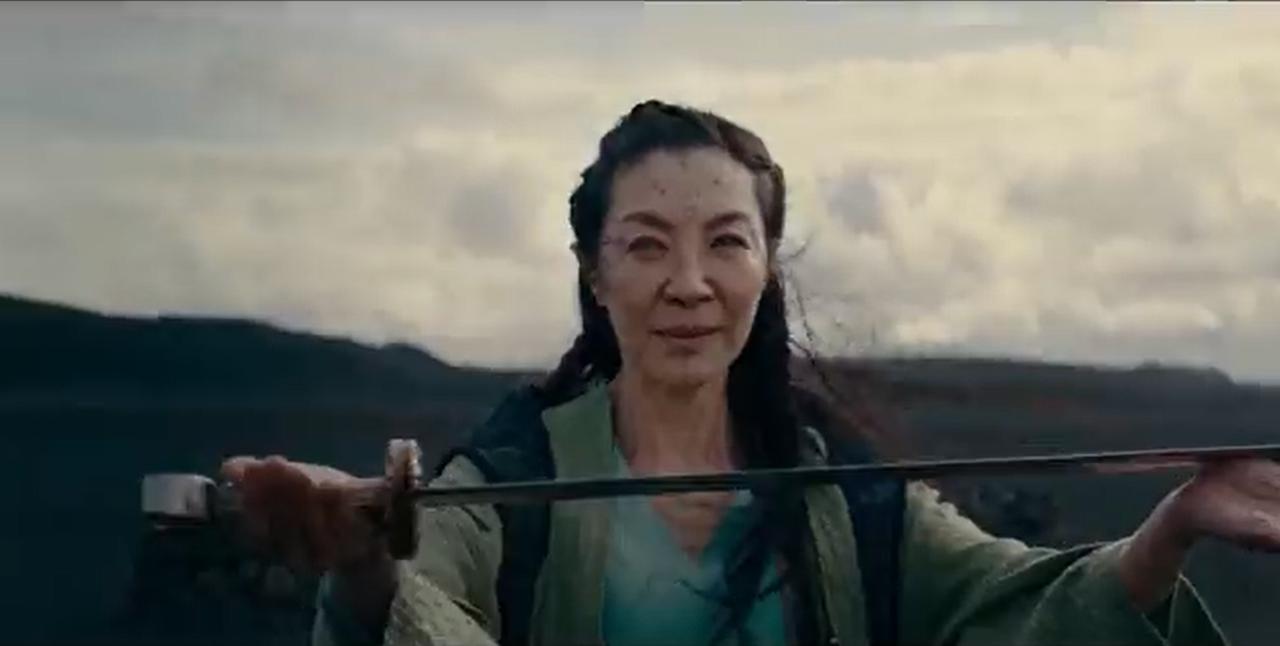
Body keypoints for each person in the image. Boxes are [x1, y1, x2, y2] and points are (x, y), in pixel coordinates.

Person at [222, 100, 1280, 646]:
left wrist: (1172, 526)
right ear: (594, 274)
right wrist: (363, 570)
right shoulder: (511, 483)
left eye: (726, 242)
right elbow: (418, 603)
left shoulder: (846, 500)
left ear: (765, 268)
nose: (688, 283)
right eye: (646, 245)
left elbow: (1016, 609)